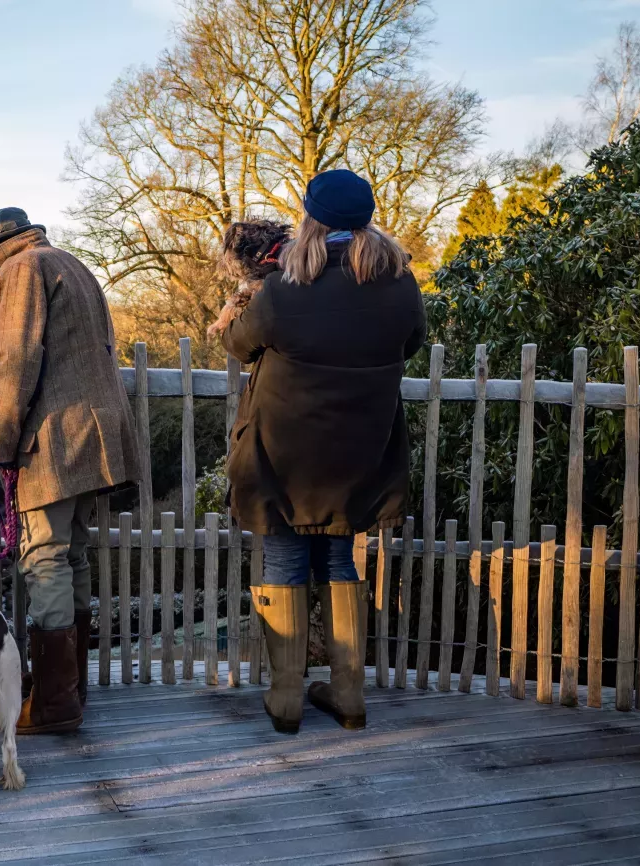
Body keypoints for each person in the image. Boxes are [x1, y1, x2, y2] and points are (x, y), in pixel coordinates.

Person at [219, 170, 426, 735]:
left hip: (282, 456)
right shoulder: (401, 284)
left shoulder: (286, 290)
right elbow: (411, 343)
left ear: (311, 219)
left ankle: (286, 699)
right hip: (358, 453)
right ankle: (348, 696)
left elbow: (237, 344)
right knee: (339, 560)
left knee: (284, 560)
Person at [0, 207, 141, 735]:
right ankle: (72, 693)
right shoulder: (71, 261)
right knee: (72, 555)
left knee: (44, 559)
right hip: (96, 433)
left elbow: (15, 363)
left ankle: (52, 704)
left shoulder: (20, 271)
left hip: (54, 439)